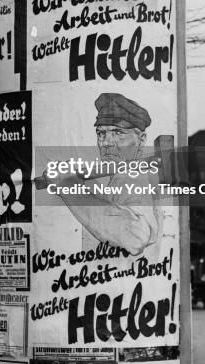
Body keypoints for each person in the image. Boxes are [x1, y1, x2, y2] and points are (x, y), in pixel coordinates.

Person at [44, 93, 162, 257]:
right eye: (101, 134)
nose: (106, 143)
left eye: (118, 133)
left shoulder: (134, 176)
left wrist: (67, 187)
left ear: (141, 140)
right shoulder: (114, 180)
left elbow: (135, 238)